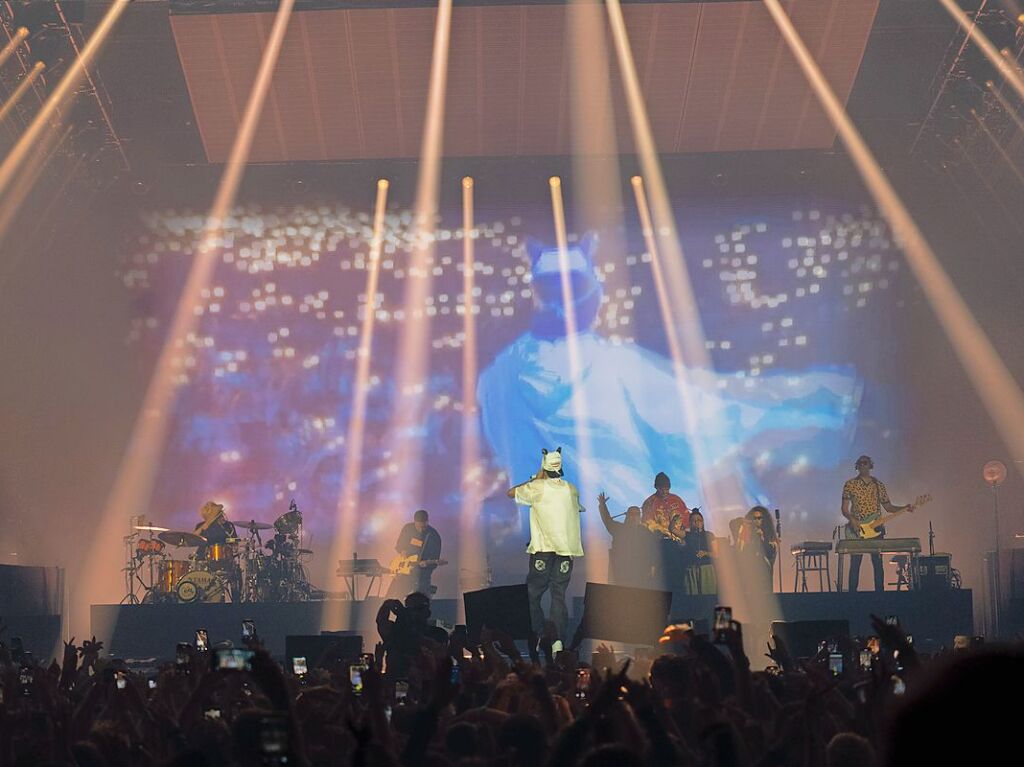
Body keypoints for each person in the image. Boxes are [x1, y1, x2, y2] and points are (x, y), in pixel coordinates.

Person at [507, 447, 583, 647]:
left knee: (533, 593)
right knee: (558, 595)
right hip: (566, 552)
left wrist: (536, 478)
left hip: (543, 549)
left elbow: (511, 493)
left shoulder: (538, 487)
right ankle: (557, 640)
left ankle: (538, 634)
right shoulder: (572, 489)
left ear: (544, 467)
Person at [841, 454, 916, 592]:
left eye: (866, 463)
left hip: (876, 528)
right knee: (855, 563)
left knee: (877, 563)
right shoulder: (850, 484)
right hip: (857, 530)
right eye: (861, 463)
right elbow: (844, 509)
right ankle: (851, 597)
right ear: (857, 466)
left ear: (871, 465)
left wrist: (904, 508)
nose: (863, 465)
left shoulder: (878, 485)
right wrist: (852, 519)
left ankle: (880, 596)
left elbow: (888, 507)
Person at [597, 492, 657, 587]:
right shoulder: (619, 529)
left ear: (639, 517)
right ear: (627, 516)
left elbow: (652, 551)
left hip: (641, 573)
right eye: (631, 514)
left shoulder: (645, 532)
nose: (634, 517)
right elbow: (607, 520)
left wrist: (652, 567)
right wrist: (602, 505)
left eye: (636, 514)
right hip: (623, 572)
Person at [376, 591, 432, 679]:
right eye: (409, 609)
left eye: (419, 608)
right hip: (396, 680)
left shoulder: (436, 633)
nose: (414, 612)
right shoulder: (395, 632)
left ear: (428, 612)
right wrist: (386, 605)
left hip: (425, 684)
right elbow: (381, 622)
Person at [387, 509, 442, 598]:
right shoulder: (407, 529)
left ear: (427, 522)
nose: (421, 530)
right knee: (398, 593)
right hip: (404, 568)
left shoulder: (433, 536)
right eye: (418, 527)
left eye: (423, 527)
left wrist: (426, 564)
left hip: (422, 573)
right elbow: (399, 545)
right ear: (414, 522)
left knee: (421, 596)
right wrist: (403, 551)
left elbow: (435, 559)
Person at [737, 505, 777, 591]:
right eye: (754, 518)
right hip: (750, 572)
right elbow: (743, 553)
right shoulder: (747, 533)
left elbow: (770, 554)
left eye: (759, 518)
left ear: (764, 519)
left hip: (764, 572)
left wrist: (762, 538)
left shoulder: (769, 535)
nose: (756, 521)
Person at [641, 471, 690, 539]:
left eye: (667, 489)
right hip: (661, 541)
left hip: (682, 539)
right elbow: (648, 525)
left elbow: (687, 519)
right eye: (661, 489)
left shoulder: (676, 500)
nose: (664, 492)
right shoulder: (649, 503)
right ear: (656, 487)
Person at [683, 510, 718, 595]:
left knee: (707, 595)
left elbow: (716, 554)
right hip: (692, 569)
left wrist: (705, 553)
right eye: (694, 520)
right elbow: (672, 529)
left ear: (703, 522)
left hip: (706, 569)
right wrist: (674, 520)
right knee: (693, 597)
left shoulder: (709, 535)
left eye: (699, 520)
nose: (696, 522)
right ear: (690, 523)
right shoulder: (686, 535)